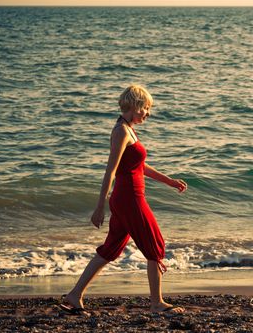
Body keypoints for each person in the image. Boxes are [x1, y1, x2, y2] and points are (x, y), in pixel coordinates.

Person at [60, 85, 187, 315]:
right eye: (146, 108)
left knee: (110, 249)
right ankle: (157, 303)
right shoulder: (121, 131)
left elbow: (138, 166)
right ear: (136, 105)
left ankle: (74, 295)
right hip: (129, 199)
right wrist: (100, 205)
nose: (148, 113)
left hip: (128, 198)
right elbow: (111, 170)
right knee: (155, 244)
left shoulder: (129, 129)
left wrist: (168, 181)